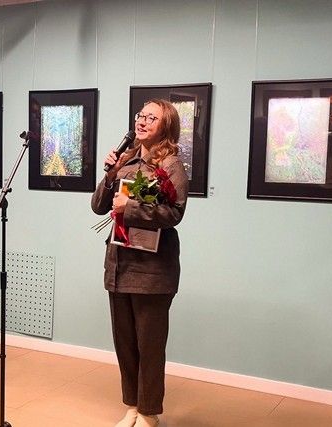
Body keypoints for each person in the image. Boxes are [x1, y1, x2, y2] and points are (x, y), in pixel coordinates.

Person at [91, 99, 189, 427]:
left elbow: (174, 214)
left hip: (152, 271)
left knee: (149, 345)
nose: (142, 121)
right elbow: (98, 206)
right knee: (125, 343)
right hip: (120, 264)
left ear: (166, 126)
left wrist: (129, 207)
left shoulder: (171, 165)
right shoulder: (126, 159)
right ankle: (132, 405)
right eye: (141, 115)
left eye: (152, 118)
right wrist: (110, 174)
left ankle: (149, 412)